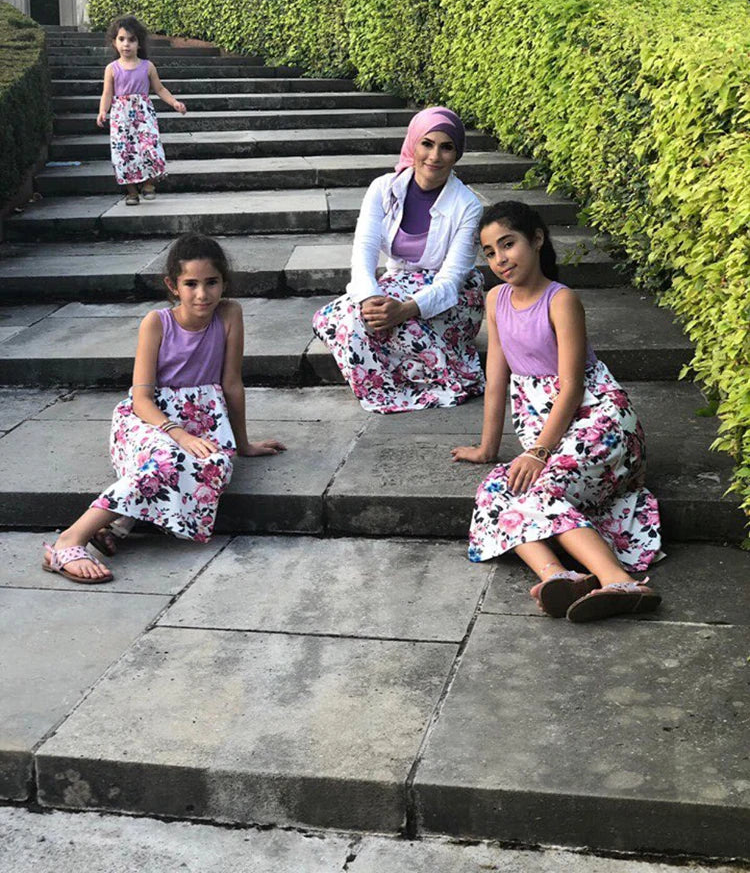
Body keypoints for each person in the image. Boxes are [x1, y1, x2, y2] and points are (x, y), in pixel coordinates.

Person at [451, 202, 662, 622]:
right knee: (495, 491)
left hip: (597, 420)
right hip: (552, 432)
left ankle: (620, 581)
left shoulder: (560, 300)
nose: (500, 259)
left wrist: (538, 452)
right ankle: (559, 577)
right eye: (490, 252)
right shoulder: (495, 300)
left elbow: (573, 386)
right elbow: (496, 379)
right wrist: (487, 448)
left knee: (543, 488)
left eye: (508, 244)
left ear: (537, 239)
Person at [43, 234, 286, 583]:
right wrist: (178, 434)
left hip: (206, 419)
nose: (202, 294)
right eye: (191, 284)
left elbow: (232, 383)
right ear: (173, 285)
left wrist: (243, 443)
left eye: (211, 283)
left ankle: (119, 525)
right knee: (168, 459)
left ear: (224, 283)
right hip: (151, 418)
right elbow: (141, 397)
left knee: (215, 465)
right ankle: (69, 541)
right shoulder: (157, 323)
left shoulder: (230, 314)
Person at [312, 107, 485, 413]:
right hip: (397, 283)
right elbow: (363, 253)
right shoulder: (383, 188)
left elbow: (450, 280)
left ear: (457, 154)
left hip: (452, 297)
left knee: (392, 326)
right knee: (331, 318)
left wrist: (405, 310)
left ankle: (439, 375)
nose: (434, 156)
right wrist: (370, 298)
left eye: (447, 147)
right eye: (427, 144)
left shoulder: (468, 204)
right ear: (413, 144)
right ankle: (391, 383)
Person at [97, 15, 186, 206]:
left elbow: (160, 89)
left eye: (131, 39)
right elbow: (107, 93)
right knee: (125, 154)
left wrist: (174, 103)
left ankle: (148, 184)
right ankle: (131, 192)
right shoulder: (111, 69)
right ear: (114, 42)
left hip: (143, 115)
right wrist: (103, 111)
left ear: (139, 43)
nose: (126, 44)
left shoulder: (147, 67)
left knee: (150, 148)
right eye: (121, 39)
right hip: (121, 118)